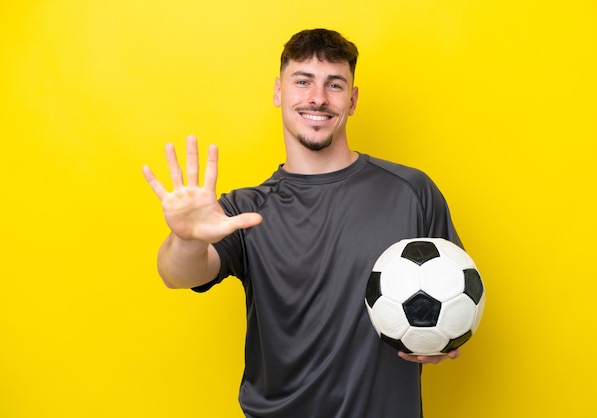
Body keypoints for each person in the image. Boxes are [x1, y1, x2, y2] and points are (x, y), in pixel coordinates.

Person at [143, 28, 462, 418]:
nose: (318, 98)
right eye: (303, 81)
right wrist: (187, 238)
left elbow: (456, 291)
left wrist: (446, 335)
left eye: (335, 84)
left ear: (353, 99)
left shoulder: (411, 191)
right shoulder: (246, 209)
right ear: (279, 92)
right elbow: (178, 275)